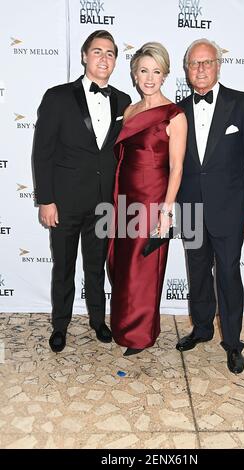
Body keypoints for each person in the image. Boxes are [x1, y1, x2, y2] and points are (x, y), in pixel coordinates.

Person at [32, 30, 131, 352]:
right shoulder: (58, 96)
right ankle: (60, 325)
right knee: (64, 268)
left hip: (104, 204)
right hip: (65, 202)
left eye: (110, 53)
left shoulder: (124, 101)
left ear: (116, 61)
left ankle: (98, 321)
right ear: (85, 56)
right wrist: (46, 200)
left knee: (96, 268)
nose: (104, 58)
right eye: (98, 52)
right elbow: (42, 152)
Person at [176, 38, 244, 374]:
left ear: (218, 65)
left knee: (228, 275)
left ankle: (232, 342)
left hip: (230, 209)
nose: (200, 69)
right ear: (187, 71)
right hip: (190, 208)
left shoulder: (242, 104)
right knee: (197, 273)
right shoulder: (177, 111)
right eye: (194, 63)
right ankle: (201, 329)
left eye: (207, 62)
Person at [108, 42, 187, 356]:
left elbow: (177, 166)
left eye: (156, 71)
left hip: (153, 198)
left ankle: (140, 335)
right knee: (123, 264)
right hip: (123, 195)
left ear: (165, 75)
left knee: (145, 267)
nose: (149, 77)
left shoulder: (174, 115)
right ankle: (123, 326)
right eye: (144, 70)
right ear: (134, 74)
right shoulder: (129, 110)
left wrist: (167, 211)